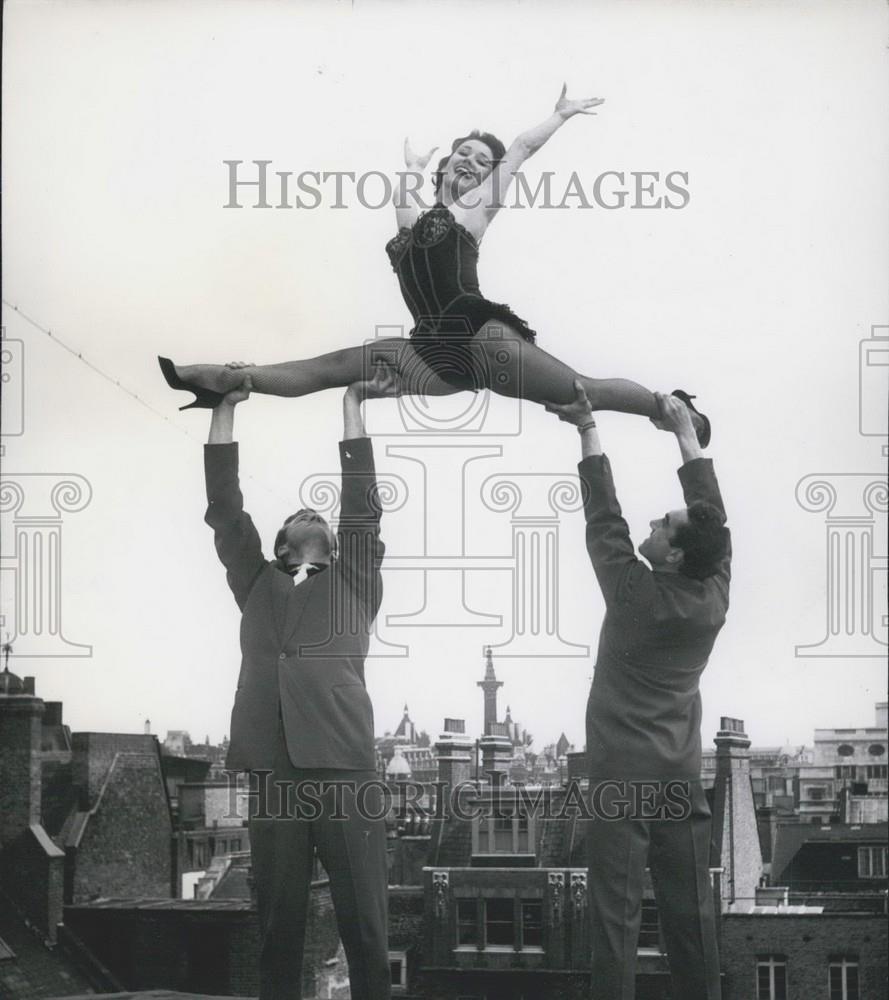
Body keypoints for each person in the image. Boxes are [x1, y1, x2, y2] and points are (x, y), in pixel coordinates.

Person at [159, 85, 709, 445]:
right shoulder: (414, 220)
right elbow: (404, 202)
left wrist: (557, 117)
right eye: (463, 155)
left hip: (476, 333)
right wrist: (411, 168)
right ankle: (230, 379)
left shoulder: (475, 210)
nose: (472, 163)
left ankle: (669, 407)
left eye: (481, 161)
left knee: (578, 390)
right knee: (335, 367)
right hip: (431, 352)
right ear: (447, 165)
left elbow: (517, 149)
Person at [204, 364, 399, 1000]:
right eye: (298, 515)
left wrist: (351, 408)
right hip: (275, 774)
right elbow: (226, 513)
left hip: (345, 770)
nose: (312, 512)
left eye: (322, 515)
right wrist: (224, 411)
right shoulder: (255, 583)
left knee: (365, 927)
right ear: (284, 545)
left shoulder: (355, 582)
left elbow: (362, 506)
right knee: (279, 928)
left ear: (334, 545)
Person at [544, 384, 730, 999]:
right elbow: (710, 518)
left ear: (673, 556)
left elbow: (605, 518)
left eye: (662, 526)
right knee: (691, 915)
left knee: (614, 921)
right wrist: (684, 435)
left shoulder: (633, 594)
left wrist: (586, 426)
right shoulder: (712, 595)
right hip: (678, 775)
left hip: (621, 778)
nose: (652, 523)